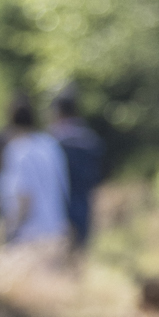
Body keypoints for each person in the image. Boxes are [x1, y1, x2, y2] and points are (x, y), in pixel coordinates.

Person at [0, 98, 70, 248]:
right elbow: (63, 187)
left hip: (29, 237)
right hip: (56, 231)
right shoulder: (50, 145)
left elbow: (24, 197)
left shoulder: (17, 149)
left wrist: (9, 231)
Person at [49, 89, 105, 249]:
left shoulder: (52, 140)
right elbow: (99, 170)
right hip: (84, 197)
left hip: (59, 201)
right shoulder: (89, 138)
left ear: (58, 112)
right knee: (82, 245)